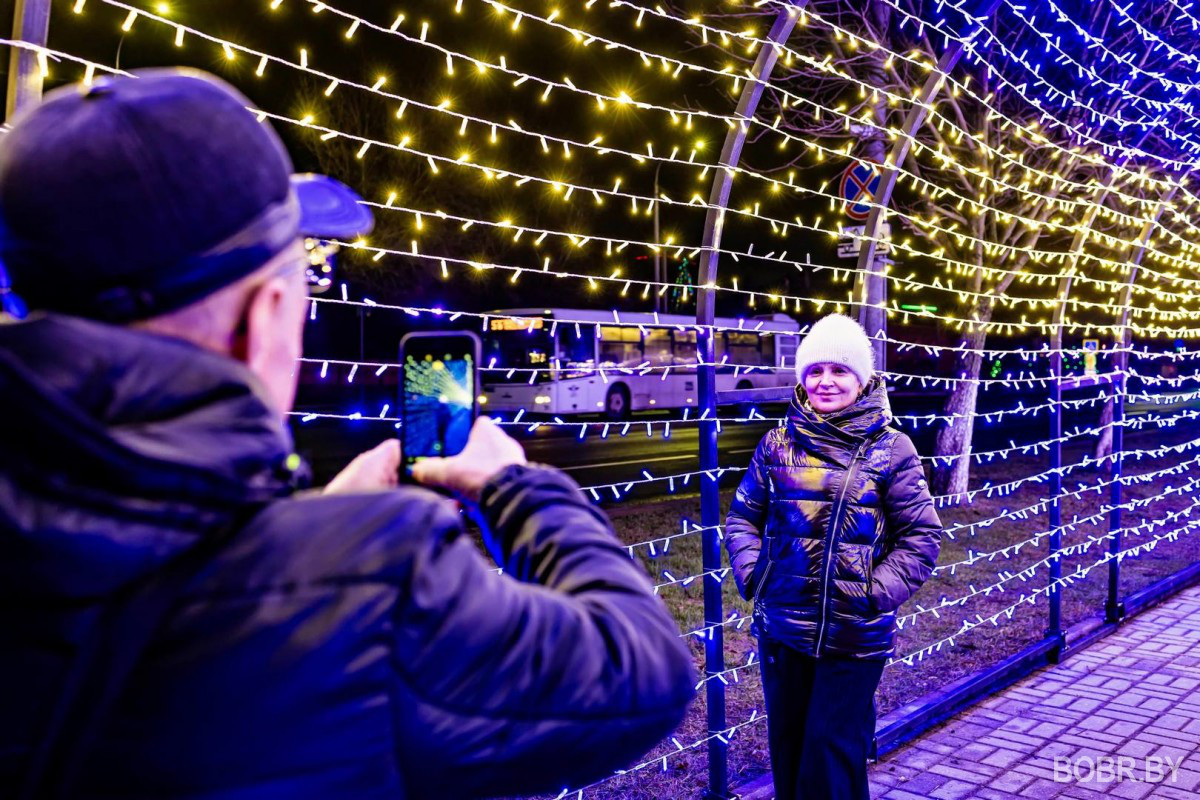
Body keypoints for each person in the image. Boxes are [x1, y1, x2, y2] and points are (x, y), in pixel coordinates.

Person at [0, 69, 694, 799]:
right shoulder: (378, 578)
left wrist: (305, 526)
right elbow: (640, 668)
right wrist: (515, 487)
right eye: (311, 270)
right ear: (263, 314)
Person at [724, 313, 942, 800]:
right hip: (784, 630)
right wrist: (758, 574)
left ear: (862, 378)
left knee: (830, 755)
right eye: (815, 370)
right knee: (790, 751)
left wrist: (871, 591)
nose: (826, 382)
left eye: (840, 370)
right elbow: (741, 518)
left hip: (853, 636)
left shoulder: (891, 449)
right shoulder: (776, 444)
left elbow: (921, 536)